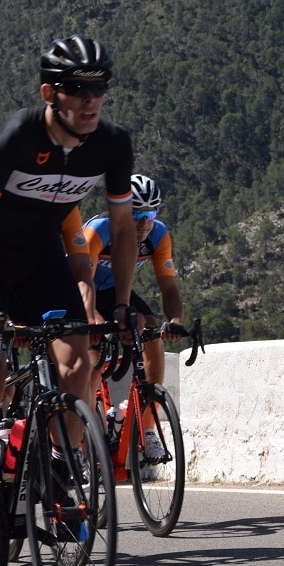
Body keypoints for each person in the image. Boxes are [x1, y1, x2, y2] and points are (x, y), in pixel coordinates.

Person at [0, 34, 137, 548]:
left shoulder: (113, 145)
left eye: (99, 87)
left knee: (80, 363)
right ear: (49, 92)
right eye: (77, 88)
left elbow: (122, 230)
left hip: (43, 264)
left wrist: (119, 305)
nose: (90, 99)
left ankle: (58, 469)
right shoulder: (16, 137)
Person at [83, 174, 186, 459]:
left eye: (150, 213)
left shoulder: (158, 235)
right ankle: (86, 420)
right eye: (136, 214)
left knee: (151, 333)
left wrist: (175, 320)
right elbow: (84, 282)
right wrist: (93, 318)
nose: (143, 222)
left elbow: (169, 287)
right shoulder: (99, 230)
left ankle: (148, 429)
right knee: (93, 350)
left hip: (117, 290)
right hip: (82, 288)